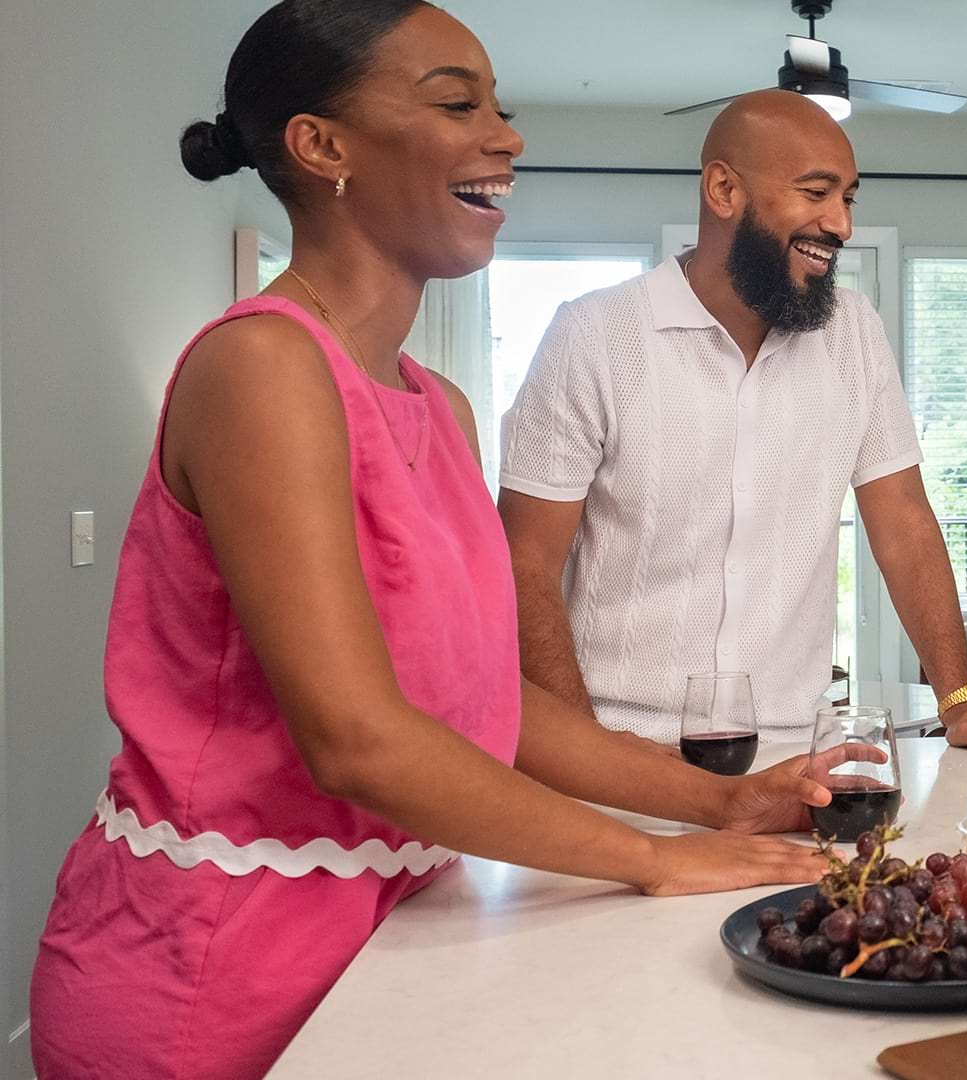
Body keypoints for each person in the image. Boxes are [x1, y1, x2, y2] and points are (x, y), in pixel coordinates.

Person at [29, 6, 852, 1077]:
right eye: (458, 104)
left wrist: (722, 801)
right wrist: (652, 860)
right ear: (321, 147)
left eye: (500, 108)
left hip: (396, 944)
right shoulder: (264, 371)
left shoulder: (438, 405)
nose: (506, 135)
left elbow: (487, 713)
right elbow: (357, 739)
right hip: (214, 972)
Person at [497, 89, 967, 753]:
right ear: (724, 190)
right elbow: (524, 563)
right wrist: (587, 750)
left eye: (848, 198)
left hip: (789, 751)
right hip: (619, 743)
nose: (840, 224)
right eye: (816, 193)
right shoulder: (593, 335)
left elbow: (902, 521)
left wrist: (958, 697)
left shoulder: (857, 335)